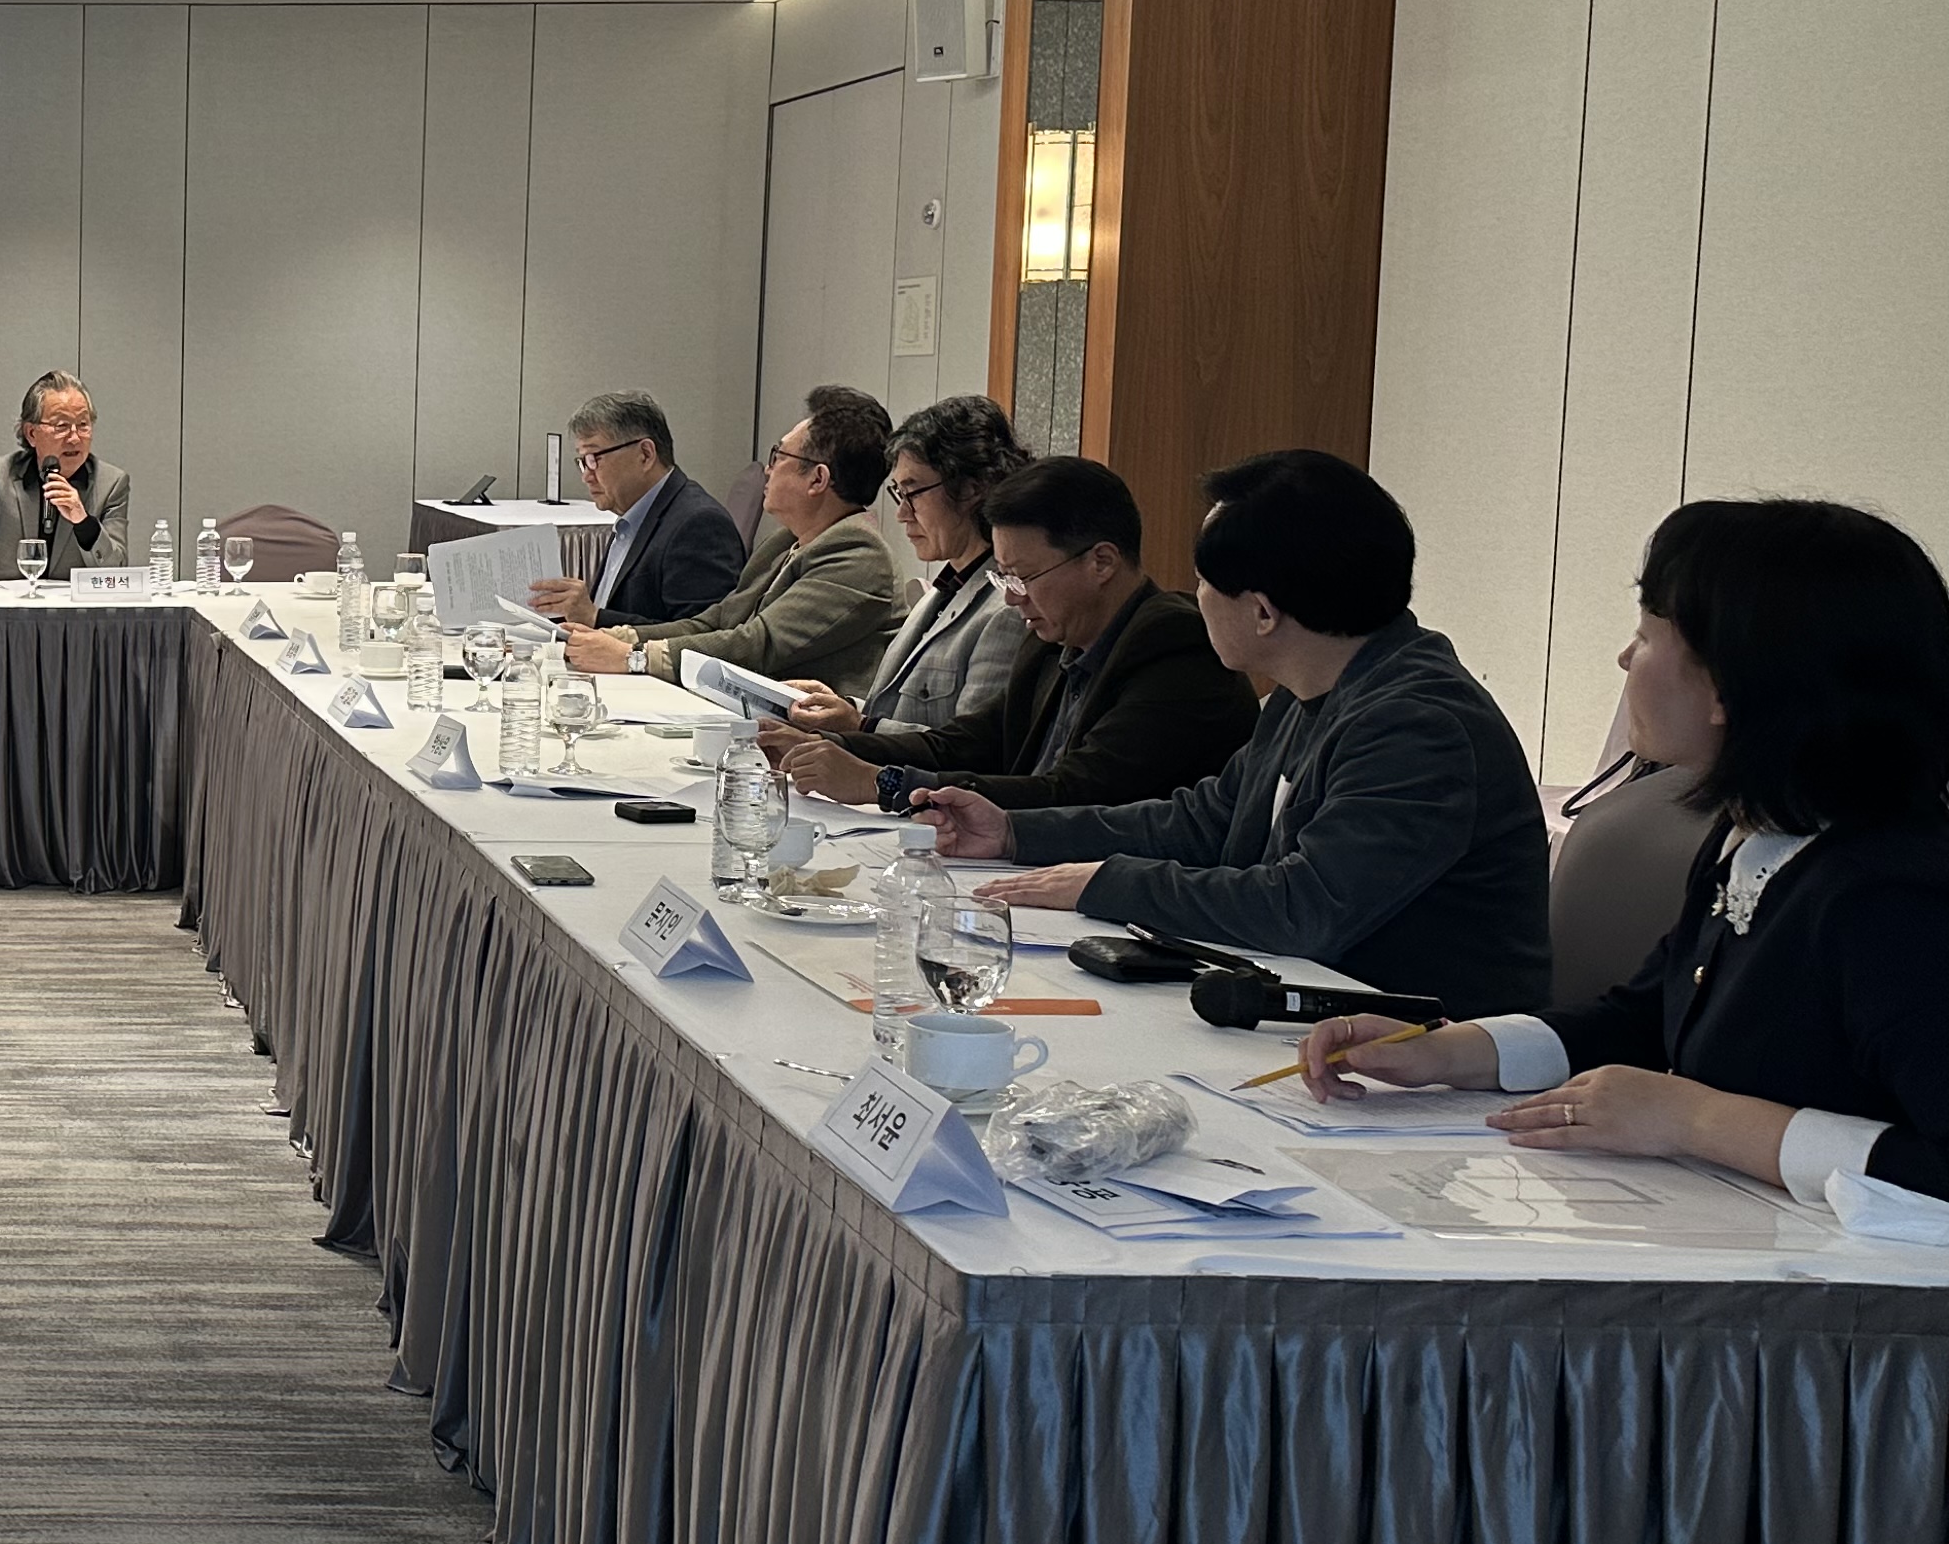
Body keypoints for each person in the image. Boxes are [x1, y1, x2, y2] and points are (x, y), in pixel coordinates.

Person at [1294, 500, 1949, 1207]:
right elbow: (1642, 1020)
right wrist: (1451, 1051)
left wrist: (1700, 1120)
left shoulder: (1895, 899)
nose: (1626, 659)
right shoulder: (1759, 840)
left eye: (1646, 635)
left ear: (1728, 684)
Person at [926, 448, 1550, 1017]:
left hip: (1426, 1056)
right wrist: (1016, 831)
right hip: (1316, 1018)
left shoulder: (1418, 724)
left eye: (1204, 581)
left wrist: (1107, 882)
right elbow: (1203, 821)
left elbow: (1302, 907)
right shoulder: (1305, 694)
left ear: (1262, 611)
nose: (1194, 596)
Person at [764, 456, 1257, 815]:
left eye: (1024, 577)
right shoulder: (1053, 641)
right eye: (1004, 579)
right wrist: (826, 743)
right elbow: (967, 743)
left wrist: (883, 783)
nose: (1013, 598)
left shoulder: (1175, 647)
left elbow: (1074, 793)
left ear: (1101, 562)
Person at [563, 387, 906, 699]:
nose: (768, 470)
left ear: (817, 479)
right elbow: (716, 620)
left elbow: (758, 643)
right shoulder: (786, 541)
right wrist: (622, 637)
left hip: (806, 733)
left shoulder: (859, 554)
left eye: (778, 456)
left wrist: (635, 657)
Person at [786, 393, 1029, 738]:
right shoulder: (942, 592)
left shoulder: (1007, 609)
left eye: (912, 493)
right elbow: (895, 709)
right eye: (898, 494)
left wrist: (859, 726)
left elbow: (972, 749)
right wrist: (843, 708)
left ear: (971, 488)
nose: (902, 514)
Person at [524, 391, 747, 632]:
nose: (586, 475)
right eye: (582, 462)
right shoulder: (631, 516)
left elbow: (704, 637)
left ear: (645, 455)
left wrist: (595, 617)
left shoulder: (699, 525)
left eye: (594, 458)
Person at [0, 371, 130, 577]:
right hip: (12, 596)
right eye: (62, 426)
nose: (75, 438)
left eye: (83, 425)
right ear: (31, 433)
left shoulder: (111, 483)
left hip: (71, 597)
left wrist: (83, 522)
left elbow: (116, 569)